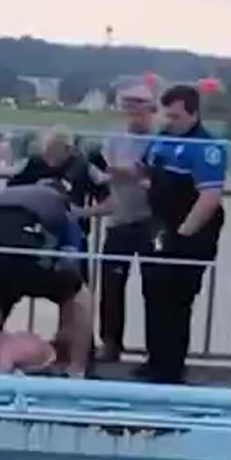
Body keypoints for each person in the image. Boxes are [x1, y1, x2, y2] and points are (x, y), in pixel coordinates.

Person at [137, 84, 227, 385]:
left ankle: (171, 368)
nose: (169, 121)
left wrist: (183, 234)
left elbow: (209, 197)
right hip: (159, 226)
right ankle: (154, 360)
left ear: (193, 113)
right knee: (153, 292)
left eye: (175, 116)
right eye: (167, 115)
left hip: (190, 232)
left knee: (177, 299)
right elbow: (147, 173)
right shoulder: (161, 139)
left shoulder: (207, 147)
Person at [0, 182, 94, 378]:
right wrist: (65, 328)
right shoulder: (63, 209)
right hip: (23, 252)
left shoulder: (0, 198)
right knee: (80, 294)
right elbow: (72, 260)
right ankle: (76, 369)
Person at [78, 84, 158, 362]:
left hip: (151, 222)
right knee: (112, 287)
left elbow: (143, 173)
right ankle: (111, 343)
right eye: (129, 105)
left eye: (141, 105)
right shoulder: (114, 138)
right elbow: (106, 176)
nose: (134, 111)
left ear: (152, 110)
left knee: (155, 287)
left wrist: (122, 171)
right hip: (119, 221)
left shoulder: (160, 140)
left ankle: (155, 348)